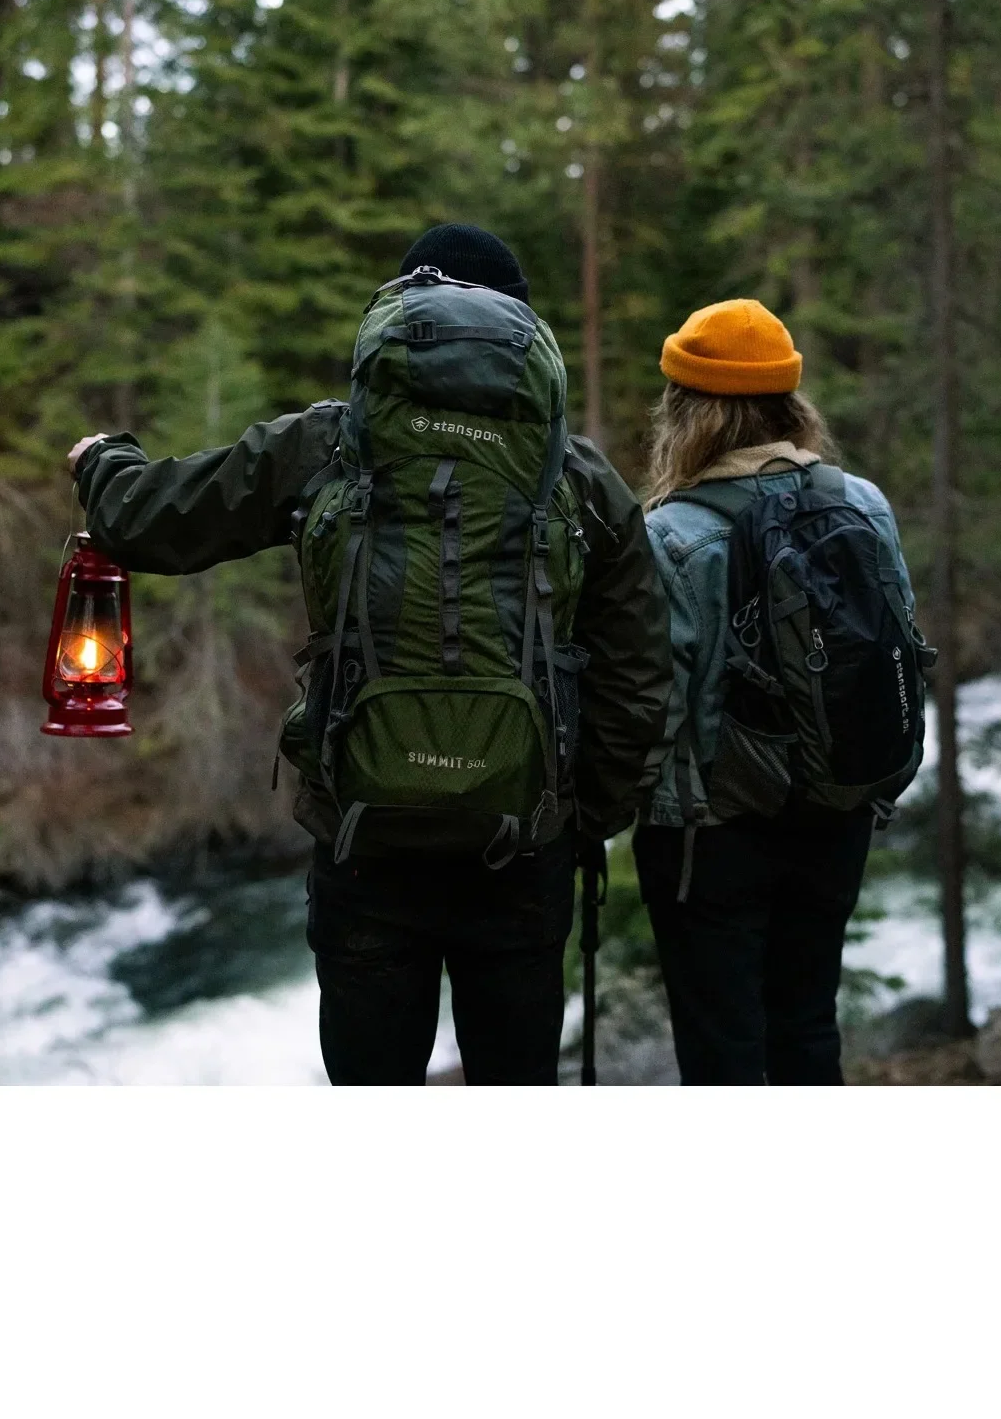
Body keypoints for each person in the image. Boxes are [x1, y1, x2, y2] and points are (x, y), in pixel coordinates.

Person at [68, 224, 671, 1085]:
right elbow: (642, 671)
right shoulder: (573, 475)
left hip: (366, 844)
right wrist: (583, 813)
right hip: (524, 845)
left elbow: (151, 522)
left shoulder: (328, 444)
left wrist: (104, 461)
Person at [633, 298, 922, 1085]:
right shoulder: (862, 505)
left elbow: (659, 705)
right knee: (806, 1028)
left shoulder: (671, 535)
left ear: (687, 412)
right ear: (790, 405)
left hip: (711, 835)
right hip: (838, 811)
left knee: (722, 1048)